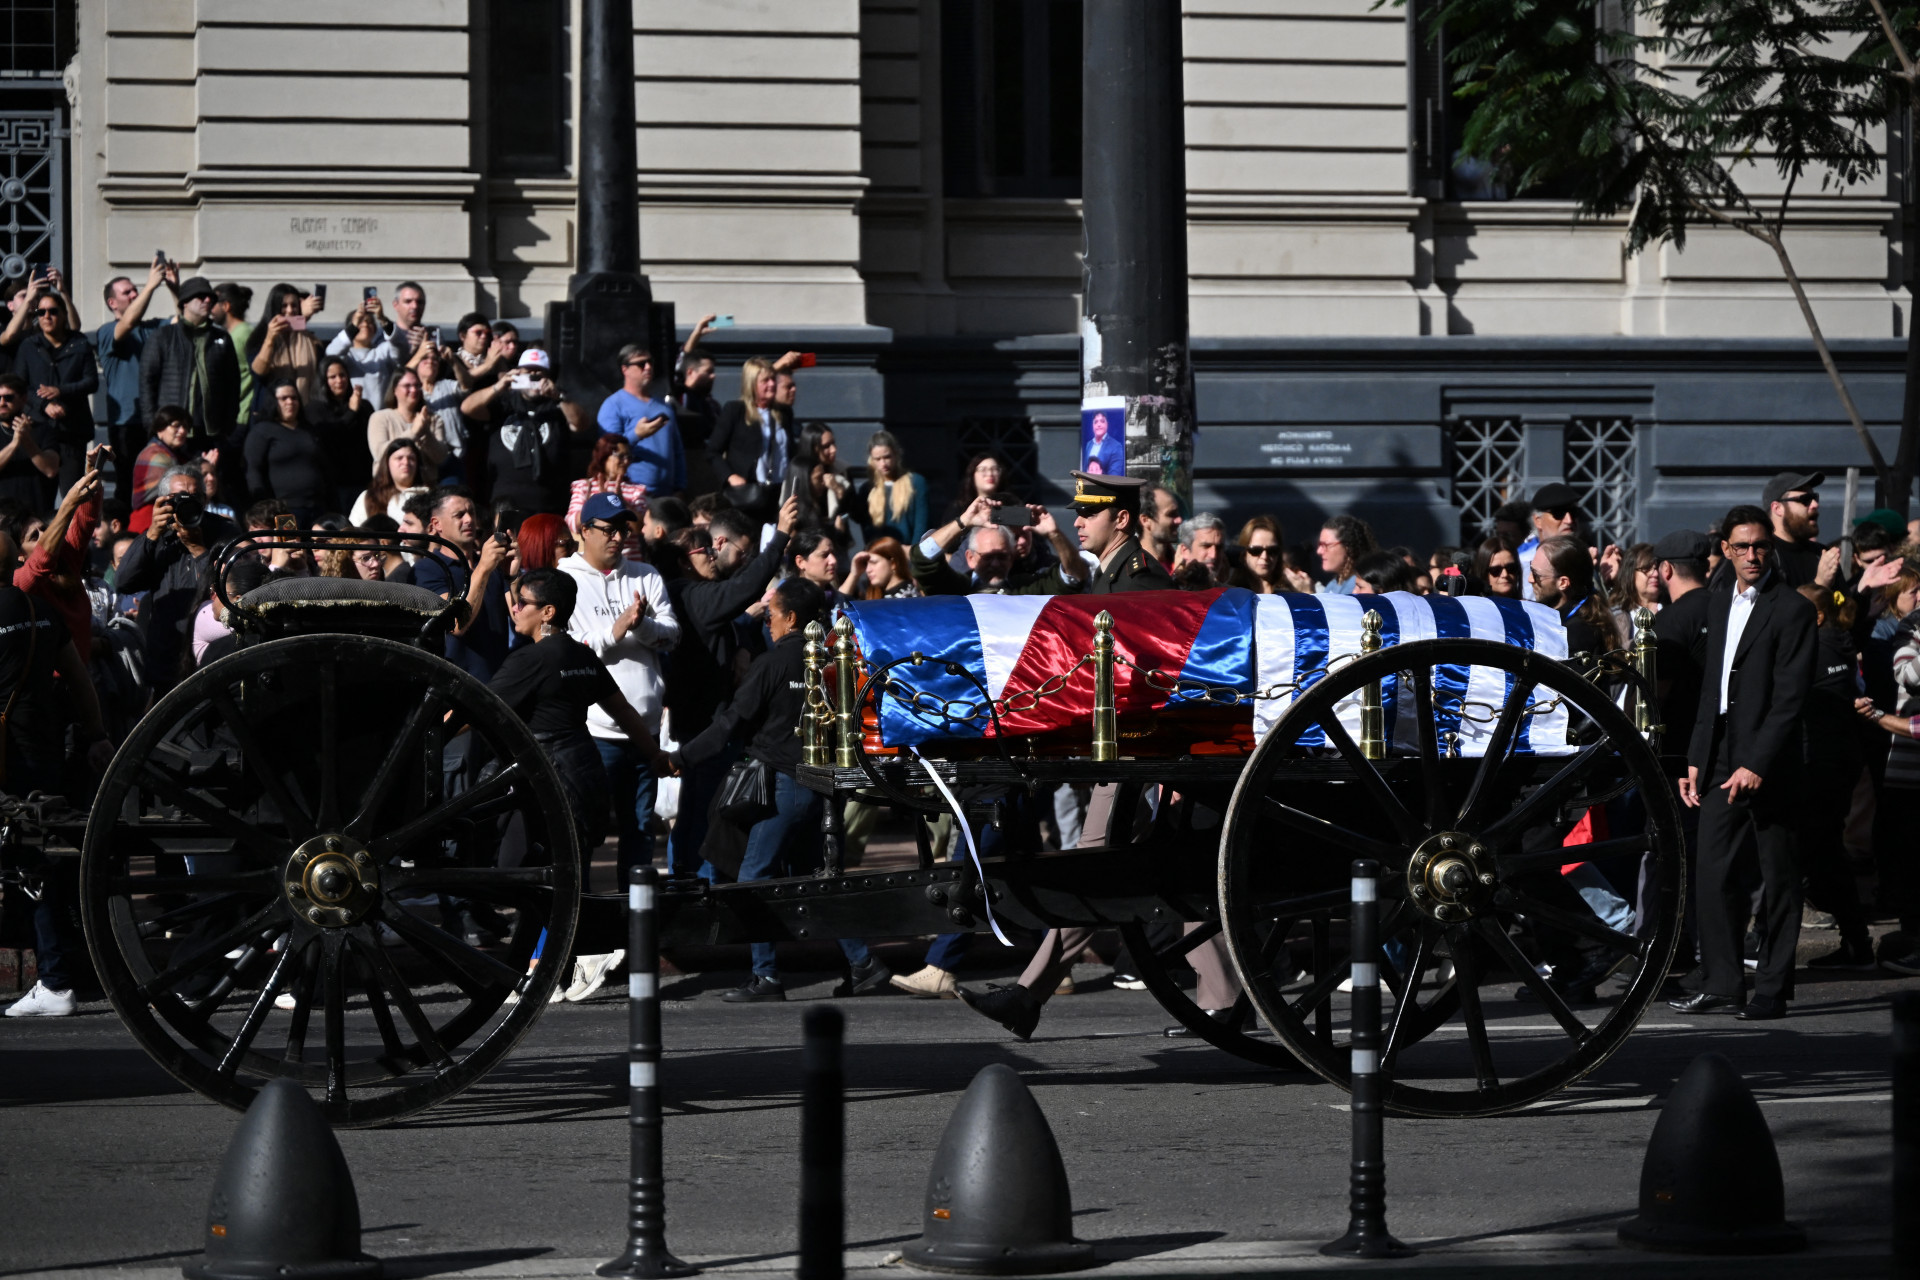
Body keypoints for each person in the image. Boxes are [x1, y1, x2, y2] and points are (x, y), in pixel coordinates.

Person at [957, 473, 1183, 1039]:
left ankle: (1027, 995)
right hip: (1119, 754)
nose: (1078, 520)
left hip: (1137, 756)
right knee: (1170, 875)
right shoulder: (1108, 575)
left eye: (1090, 511)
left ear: (1123, 519)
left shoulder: (1143, 580)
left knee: (1094, 864)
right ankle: (1226, 995)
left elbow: (1159, 680)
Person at [670, 576, 893, 1002]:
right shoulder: (833, 660)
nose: (767, 622)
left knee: (754, 878)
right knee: (815, 880)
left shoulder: (771, 664)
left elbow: (731, 723)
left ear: (791, 618)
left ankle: (766, 977)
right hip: (822, 783)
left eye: (771, 614)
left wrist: (681, 758)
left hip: (785, 784)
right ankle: (865, 964)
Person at [1670, 505, 1817, 1021]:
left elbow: (1791, 698)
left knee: (1778, 879)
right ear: (1726, 551)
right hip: (1718, 751)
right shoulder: (1714, 605)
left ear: (1769, 549)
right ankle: (1723, 983)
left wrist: (1756, 761)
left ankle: (1772, 990)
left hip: (1770, 758)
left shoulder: (1792, 609)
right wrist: (1694, 758)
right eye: (1743, 547)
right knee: (1711, 872)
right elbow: (1709, 689)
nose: (1753, 555)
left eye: (1761, 546)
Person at [0, 522, 117, 1018]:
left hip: (7, 757)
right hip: (45, 747)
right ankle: (65, 972)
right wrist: (97, 736)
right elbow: (78, 678)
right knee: (44, 857)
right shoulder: (38, 609)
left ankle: (55, 979)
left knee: (31, 864)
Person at [491, 566, 666, 878]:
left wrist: (432, 731)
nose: (514, 608)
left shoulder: (529, 660)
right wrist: (653, 753)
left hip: (544, 777)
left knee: (520, 870)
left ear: (547, 612)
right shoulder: (580, 655)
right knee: (574, 868)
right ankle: (577, 926)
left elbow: (478, 706)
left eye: (521, 602)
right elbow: (623, 711)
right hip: (584, 771)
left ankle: (554, 927)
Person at [663, 497, 801, 876]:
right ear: (681, 561)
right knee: (709, 814)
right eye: (701, 550)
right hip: (708, 725)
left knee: (697, 810)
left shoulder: (696, 595)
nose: (711, 555)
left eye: (712, 547)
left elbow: (728, 613)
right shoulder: (686, 593)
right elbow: (743, 590)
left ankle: (688, 882)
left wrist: (740, 638)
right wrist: (781, 537)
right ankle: (698, 889)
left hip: (706, 721)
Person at [559, 494, 681, 888]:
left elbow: (672, 636)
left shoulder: (645, 575)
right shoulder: (565, 579)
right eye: (608, 530)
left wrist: (641, 625)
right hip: (594, 732)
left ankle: (636, 926)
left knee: (641, 830)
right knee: (584, 833)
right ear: (583, 530)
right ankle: (580, 925)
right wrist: (616, 630)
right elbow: (568, 645)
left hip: (644, 731)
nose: (617, 538)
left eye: (624, 530)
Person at [113, 464, 239, 691]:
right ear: (162, 500)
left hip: (212, 654)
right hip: (166, 657)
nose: (187, 502)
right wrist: (151, 534)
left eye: (195, 496)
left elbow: (234, 584)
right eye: (179, 497)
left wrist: (199, 550)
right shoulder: (158, 535)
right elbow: (123, 581)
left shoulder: (224, 531)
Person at [412, 487, 513, 680]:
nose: (469, 520)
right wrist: (483, 567)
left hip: (499, 684)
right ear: (437, 524)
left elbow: (520, 620)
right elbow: (456, 624)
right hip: (457, 688)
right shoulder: (427, 569)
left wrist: (512, 574)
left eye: (472, 513)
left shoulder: (492, 564)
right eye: (459, 515)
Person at [97, 258, 174, 495]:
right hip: (126, 423)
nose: (134, 294)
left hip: (155, 419)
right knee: (128, 484)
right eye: (126, 292)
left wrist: (174, 288)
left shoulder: (151, 327)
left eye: (135, 290)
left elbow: (184, 320)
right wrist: (151, 286)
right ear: (112, 302)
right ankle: (126, 531)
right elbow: (127, 322)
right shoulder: (107, 331)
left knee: (160, 482)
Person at [14, 273, 98, 490]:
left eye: (52, 311)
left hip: (72, 431)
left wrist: (60, 391)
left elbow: (91, 382)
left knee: (71, 495)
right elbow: (20, 386)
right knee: (39, 494)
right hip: (38, 429)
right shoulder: (29, 345)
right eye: (41, 312)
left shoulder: (79, 343)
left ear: (62, 315)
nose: (46, 316)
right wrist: (44, 404)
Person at [464, 349, 573, 515]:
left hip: (548, 504)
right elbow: (467, 408)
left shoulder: (557, 403)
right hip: (505, 503)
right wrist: (499, 386)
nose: (533, 376)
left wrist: (558, 397)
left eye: (539, 372)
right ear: (517, 372)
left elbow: (580, 423)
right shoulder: (504, 402)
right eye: (528, 371)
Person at [137, 276, 241, 448]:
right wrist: (153, 425)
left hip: (211, 433)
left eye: (211, 298)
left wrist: (228, 425)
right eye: (200, 296)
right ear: (185, 302)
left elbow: (233, 384)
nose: (207, 300)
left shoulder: (222, 338)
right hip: (173, 433)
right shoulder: (163, 336)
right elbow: (147, 382)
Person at [910, 495, 1081, 596]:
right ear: (970, 557)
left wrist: (1054, 534)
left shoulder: (1025, 589)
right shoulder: (956, 589)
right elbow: (923, 558)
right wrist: (963, 521)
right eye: (988, 557)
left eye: (1002, 556)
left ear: (1011, 557)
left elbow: (1074, 577)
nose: (995, 564)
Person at [708, 354, 791, 519]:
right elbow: (712, 452)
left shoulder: (783, 413)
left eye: (773, 379)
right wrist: (731, 477)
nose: (772, 384)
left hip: (778, 490)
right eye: (765, 381)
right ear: (752, 384)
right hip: (748, 493)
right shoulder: (735, 410)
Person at [599, 344, 684, 496]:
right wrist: (637, 434)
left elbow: (677, 450)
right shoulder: (613, 405)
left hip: (666, 493)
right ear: (625, 369)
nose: (648, 367)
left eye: (650, 362)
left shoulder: (664, 407)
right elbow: (608, 451)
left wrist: (680, 486)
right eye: (641, 364)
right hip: (631, 493)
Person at [244, 380, 332, 524]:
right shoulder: (262, 431)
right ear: (274, 402)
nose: (290, 402)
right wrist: (264, 507)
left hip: (317, 508)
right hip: (284, 512)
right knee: (291, 546)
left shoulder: (310, 430)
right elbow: (254, 471)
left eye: (294, 397)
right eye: (284, 398)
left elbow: (325, 469)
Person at [242, 283, 324, 419]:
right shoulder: (260, 338)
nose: (290, 310)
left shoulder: (312, 341)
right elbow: (258, 373)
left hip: (305, 415)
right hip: (271, 415)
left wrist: (301, 322)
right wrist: (270, 339)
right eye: (284, 306)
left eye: (294, 305)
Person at [1529, 533, 1619, 655]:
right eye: (1530, 569)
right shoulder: (1561, 620)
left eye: (1536, 575)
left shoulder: (1577, 635)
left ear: (1563, 583)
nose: (1530, 579)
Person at [325, 289, 408, 405]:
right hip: (354, 414)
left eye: (369, 322)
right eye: (360, 322)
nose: (365, 324)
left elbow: (401, 346)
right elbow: (331, 353)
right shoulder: (348, 356)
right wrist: (354, 326)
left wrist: (382, 318)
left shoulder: (383, 351)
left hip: (380, 417)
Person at [366, 366, 449, 480]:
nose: (414, 390)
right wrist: (413, 432)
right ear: (394, 390)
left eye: (417, 386)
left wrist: (426, 433)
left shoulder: (434, 419)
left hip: (425, 487)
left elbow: (441, 457)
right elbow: (380, 454)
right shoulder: (380, 417)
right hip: (388, 488)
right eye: (407, 386)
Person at [1761, 470, 1840, 589]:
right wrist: (1819, 585)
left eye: (1815, 497)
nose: (1814, 504)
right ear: (1777, 508)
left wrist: (1862, 593)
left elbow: (1844, 605)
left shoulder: (1821, 555)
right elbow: (1775, 606)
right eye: (1805, 499)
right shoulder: (1763, 557)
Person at [857, 429, 930, 544]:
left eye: (887, 457)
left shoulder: (916, 482)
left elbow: (921, 526)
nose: (883, 463)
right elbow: (863, 524)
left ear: (896, 455)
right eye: (878, 459)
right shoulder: (868, 489)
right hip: (878, 553)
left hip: (908, 553)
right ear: (871, 460)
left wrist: (913, 554)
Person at [0, 374, 59, 511]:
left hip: (36, 514)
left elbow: (51, 470)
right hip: (3, 518)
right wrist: (14, 444)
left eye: (8, 398)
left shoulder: (44, 430)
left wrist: (26, 439)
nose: (2, 403)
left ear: (23, 399)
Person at [567, 434, 648, 534]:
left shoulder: (636, 490)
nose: (626, 461)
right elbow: (572, 524)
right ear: (604, 456)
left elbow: (641, 528)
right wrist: (598, 503)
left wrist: (622, 504)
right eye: (621, 456)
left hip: (627, 549)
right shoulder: (585, 486)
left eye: (629, 457)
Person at [784, 423, 853, 535]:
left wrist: (838, 490)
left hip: (835, 538)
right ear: (813, 448)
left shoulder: (842, 471)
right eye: (826, 446)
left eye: (833, 443)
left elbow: (853, 511)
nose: (833, 449)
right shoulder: (798, 471)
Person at [1515, 483, 1580, 601]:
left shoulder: (1587, 554)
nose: (1569, 520)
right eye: (1558, 513)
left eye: (1574, 512)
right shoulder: (1523, 561)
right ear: (1538, 520)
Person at [351, 438, 431, 524]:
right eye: (399, 458)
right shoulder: (369, 497)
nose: (406, 462)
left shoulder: (429, 496)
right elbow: (354, 531)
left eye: (411, 458)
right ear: (387, 463)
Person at [212, 283, 255, 413]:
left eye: (213, 303)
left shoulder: (244, 334)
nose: (209, 309)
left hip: (241, 413)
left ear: (226, 306)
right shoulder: (230, 334)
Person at [841, 535, 920, 600]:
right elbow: (838, 607)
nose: (868, 570)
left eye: (873, 563)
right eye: (865, 564)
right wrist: (854, 574)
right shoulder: (875, 594)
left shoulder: (909, 596)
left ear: (893, 563)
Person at [1315, 514, 1376, 595]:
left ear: (1347, 547)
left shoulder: (1357, 586)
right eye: (1320, 545)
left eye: (1326, 545)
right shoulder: (1333, 583)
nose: (1319, 551)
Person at [1138, 484, 1184, 569]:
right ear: (1145, 521)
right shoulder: (1133, 569)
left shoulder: (1182, 561)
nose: (1179, 520)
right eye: (1171, 514)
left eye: (1177, 513)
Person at [1174, 512, 1227, 584]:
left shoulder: (1232, 594)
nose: (1213, 555)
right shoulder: (1167, 592)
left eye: (1219, 547)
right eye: (1206, 546)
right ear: (1185, 550)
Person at [1083, 410, 1124, 475]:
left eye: (1102, 421)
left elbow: (1114, 478)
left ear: (1107, 424)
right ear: (1092, 425)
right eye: (1096, 422)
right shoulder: (1089, 444)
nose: (1098, 424)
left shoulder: (1116, 446)